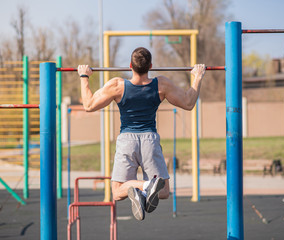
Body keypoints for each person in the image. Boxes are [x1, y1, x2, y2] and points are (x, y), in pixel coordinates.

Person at [78, 47, 206, 221]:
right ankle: (147, 188)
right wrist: (197, 77)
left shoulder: (117, 85)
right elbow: (188, 102)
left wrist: (84, 76)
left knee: (116, 192)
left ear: (130, 65)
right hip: (150, 140)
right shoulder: (161, 84)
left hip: (127, 141)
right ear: (150, 66)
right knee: (164, 191)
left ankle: (144, 187)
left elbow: (88, 105)